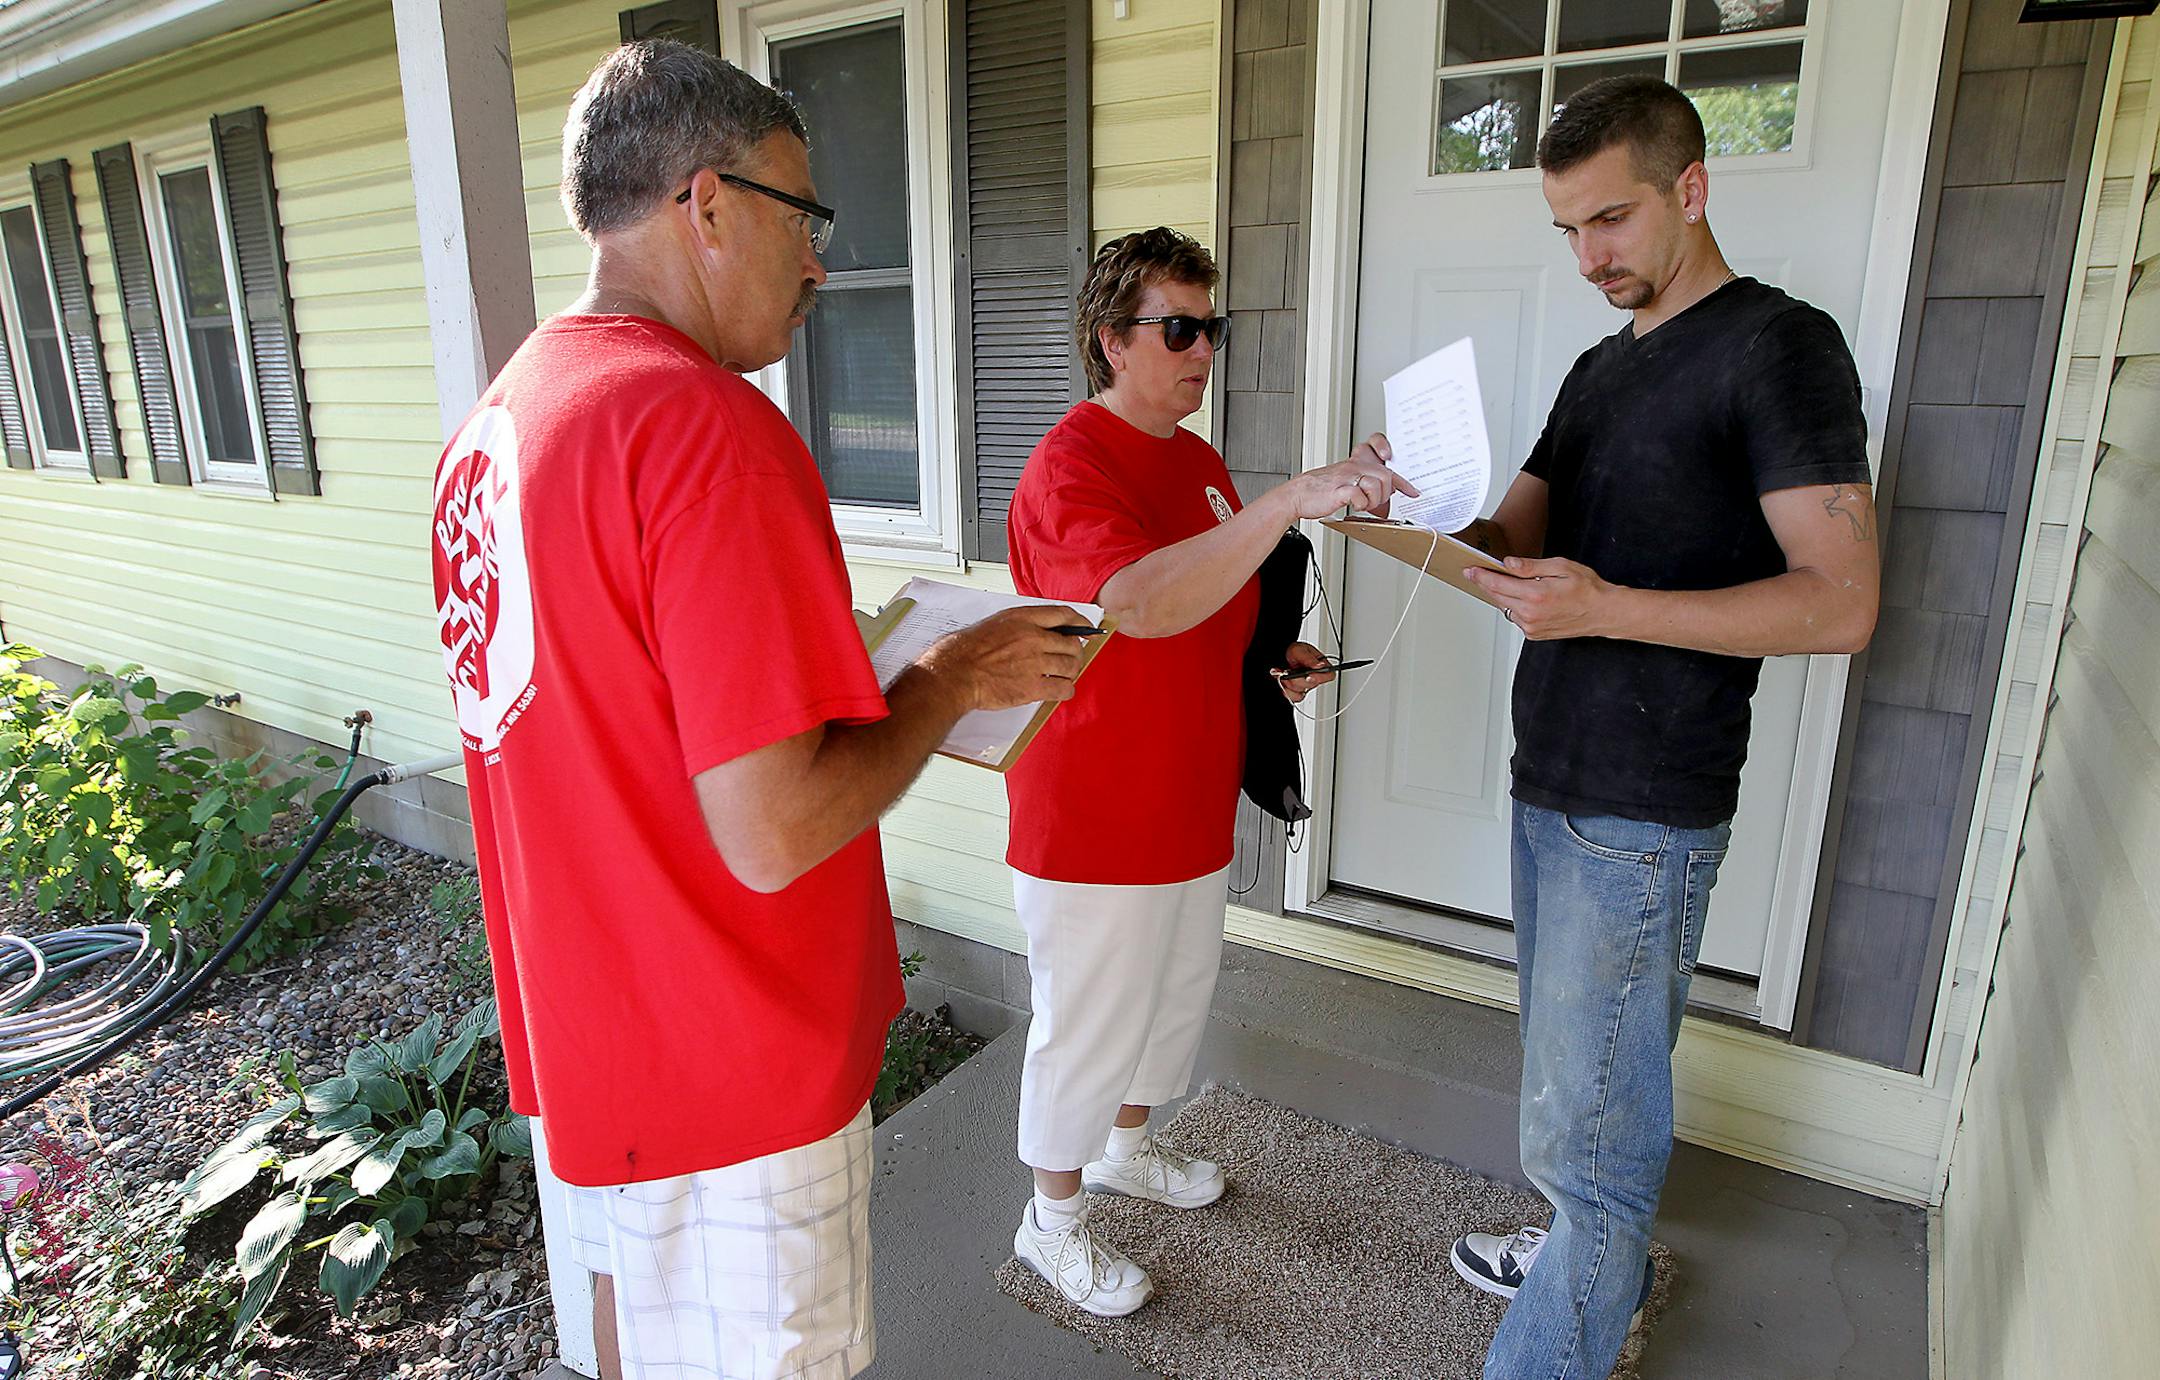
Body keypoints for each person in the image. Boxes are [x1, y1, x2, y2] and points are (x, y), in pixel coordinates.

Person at [428, 41, 1086, 1380]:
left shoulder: (499, 428)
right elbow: (777, 830)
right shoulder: (701, 427)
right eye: (806, 214)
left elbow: (614, 718)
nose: (821, 262)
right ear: (708, 201)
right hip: (735, 1073)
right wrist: (947, 679)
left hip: (598, 1063)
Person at [1367, 75, 1881, 1378]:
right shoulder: (1603, 367)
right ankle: (1582, 1259)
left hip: (1647, 805)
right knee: (1579, 1103)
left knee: (1592, 1151)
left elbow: (1841, 603)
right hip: (1553, 779)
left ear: (1691, 190)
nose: (1591, 256)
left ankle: (1569, 1306)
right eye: (1569, 231)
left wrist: (1610, 608)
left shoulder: (1781, 348)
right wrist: (1401, 501)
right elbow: (1511, 550)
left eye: (1610, 220)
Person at [1002, 226, 1411, 1316]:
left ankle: (1124, 1153)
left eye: (1210, 327)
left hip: (1185, 797)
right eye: (1178, 328)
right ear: (1111, 341)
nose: (1202, 350)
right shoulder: (1070, 465)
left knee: (1170, 1004)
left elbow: (1211, 609)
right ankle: (1052, 1225)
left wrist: (1274, 658)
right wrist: (1289, 501)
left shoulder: (1197, 462)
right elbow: (1134, 602)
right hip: (1092, 811)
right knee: (1087, 1022)